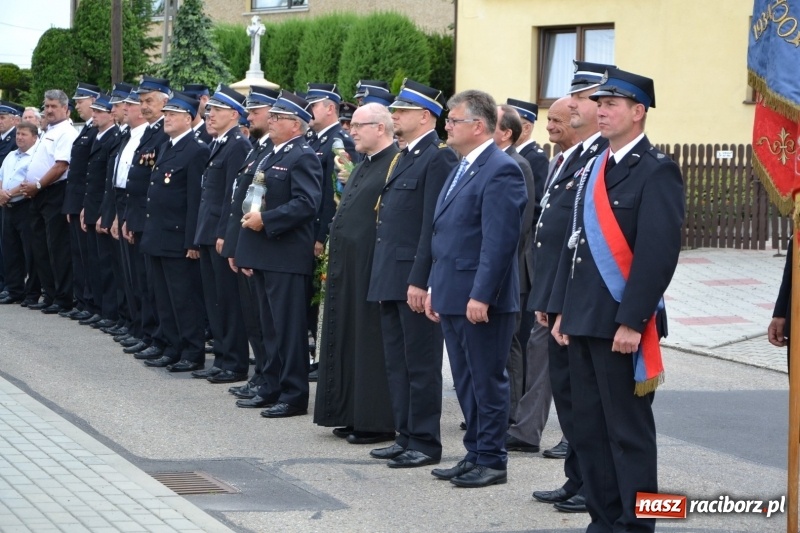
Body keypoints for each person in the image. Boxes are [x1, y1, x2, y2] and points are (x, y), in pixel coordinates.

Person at [548, 68, 684, 533]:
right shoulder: (594, 166)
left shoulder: (657, 169)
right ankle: (603, 521)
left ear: (638, 111)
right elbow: (575, 246)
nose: (600, 111)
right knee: (588, 431)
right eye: (599, 104)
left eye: (611, 104)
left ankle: (637, 525)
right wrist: (563, 309)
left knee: (628, 434)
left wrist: (633, 320)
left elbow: (657, 254)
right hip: (583, 318)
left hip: (621, 323)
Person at [426, 90, 527, 488]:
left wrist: (481, 295)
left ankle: (493, 459)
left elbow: (499, 242)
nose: (447, 126)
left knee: (486, 379)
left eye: (454, 120)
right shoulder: (462, 165)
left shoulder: (501, 169)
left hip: (480, 298)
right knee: (466, 380)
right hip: (453, 291)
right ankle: (475, 452)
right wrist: (435, 287)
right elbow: (448, 234)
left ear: (478, 126)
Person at [531, 60, 614, 515]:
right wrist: (547, 298)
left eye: (584, 98)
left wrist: (560, 299)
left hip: (580, 299)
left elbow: (581, 237)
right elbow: (553, 233)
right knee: (568, 396)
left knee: (587, 401)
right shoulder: (576, 156)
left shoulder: (601, 156)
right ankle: (577, 477)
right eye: (578, 97)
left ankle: (593, 484)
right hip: (558, 294)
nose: (575, 105)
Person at [367, 80, 458, 465]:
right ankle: (405, 435)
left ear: (425, 116)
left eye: (401, 111)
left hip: (413, 280)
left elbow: (432, 226)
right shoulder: (404, 157)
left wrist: (422, 280)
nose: (395, 116)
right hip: (391, 276)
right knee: (397, 363)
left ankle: (424, 442)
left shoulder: (437, 158)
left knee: (421, 365)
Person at [313, 103, 399, 444]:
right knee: (348, 340)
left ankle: (374, 421)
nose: (351, 131)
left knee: (369, 345)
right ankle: (349, 412)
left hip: (371, 268)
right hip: (348, 267)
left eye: (359, 125)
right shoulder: (364, 163)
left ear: (380, 128)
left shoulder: (394, 163)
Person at [234, 91, 322, 418]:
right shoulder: (271, 153)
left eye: (277, 117)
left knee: (288, 330)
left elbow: (306, 203)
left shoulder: (302, 155)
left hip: (286, 255)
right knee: (269, 328)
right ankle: (271, 385)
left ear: (295, 125)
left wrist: (267, 220)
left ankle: (294, 395)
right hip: (264, 252)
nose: (270, 121)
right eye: (270, 117)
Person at [507, 96, 581, 458]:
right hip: (546, 276)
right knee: (540, 352)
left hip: (571, 280)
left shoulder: (584, 162)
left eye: (557, 120)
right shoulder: (557, 161)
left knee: (568, 361)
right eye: (548, 119)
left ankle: (573, 434)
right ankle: (526, 430)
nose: (550, 126)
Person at [139, 92, 210, 372]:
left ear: (188, 118)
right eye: (166, 113)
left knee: (184, 298)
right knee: (164, 297)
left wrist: (192, 241)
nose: (166, 118)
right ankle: (171, 346)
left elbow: (195, 199)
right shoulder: (167, 146)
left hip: (178, 237)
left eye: (173, 114)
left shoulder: (196, 149)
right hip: (158, 234)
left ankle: (192, 352)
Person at [191, 85, 252, 384]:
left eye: (216, 110)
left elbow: (233, 196)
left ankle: (234, 362)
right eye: (209, 110)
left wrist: (225, 235)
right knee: (215, 301)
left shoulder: (237, 145)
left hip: (219, 234)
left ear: (234, 114)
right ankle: (222, 358)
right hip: (208, 231)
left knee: (227, 302)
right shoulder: (220, 142)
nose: (209, 115)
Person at [223, 86, 279, 403]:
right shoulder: (257, 148)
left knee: (263, 318)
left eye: (256, 111)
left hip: (261, 243)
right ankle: (261, 374)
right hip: (246, 239)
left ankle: (268, 375)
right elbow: (238, 200)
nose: (249, 116)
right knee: (253, 317)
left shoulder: (272, 150)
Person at [493, 104, 536, 436]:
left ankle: (511, 412)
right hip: (497, 268)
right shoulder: (496, 161)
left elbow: (518, 226)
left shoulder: (517, 164)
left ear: (506, 133)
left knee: (509, 343)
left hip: (512, 269)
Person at [121, 76, 171, 361]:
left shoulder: (164, 132)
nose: (144, 107)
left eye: (149, 101)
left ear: (165, 101)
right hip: (140, 216)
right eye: (141, 102)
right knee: (142, 281)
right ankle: (148, 333)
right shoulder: (150, 132)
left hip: (153, 220)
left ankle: (156, 335)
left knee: (153, 285)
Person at [20, 90, 79, 314]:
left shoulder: (66, 132)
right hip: (39, 194)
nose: (49, 110)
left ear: (65, 109)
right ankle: (50, 293)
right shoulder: (48, 131)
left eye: (54, 106)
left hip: (54, 192)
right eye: (46, 106)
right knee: (40, 247)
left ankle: (63, 298)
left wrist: (37, 185)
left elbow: (61, 166)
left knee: (57, 247)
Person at [61, 83, 101, 323]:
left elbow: (90, 173)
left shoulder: (95, 130)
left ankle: (90, 302)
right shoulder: (87, 129)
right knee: (79, 254)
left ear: (94, 100)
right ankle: (83, 300)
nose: (77, 105)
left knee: (89, 256)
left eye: (81, 101)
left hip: (86, 201)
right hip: (76, 200)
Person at [81, 93, 121, 330]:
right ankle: (97, 306)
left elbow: (108, 181)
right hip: (93, 205)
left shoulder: (113, 137)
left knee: (107, 263)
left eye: (99, 112)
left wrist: (103, 212)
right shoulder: (98, 137)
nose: (93, 115)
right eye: (93, 111)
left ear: (110, 115)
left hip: (103, 207)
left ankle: (109, 310)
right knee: (94, 261)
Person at [0, 121, 40, 306]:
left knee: (29, 251)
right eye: (18, 134)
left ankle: (32, 292)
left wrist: (7, 194)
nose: (19, 137)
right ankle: (14, 290)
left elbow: (28, 181)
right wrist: (2, 193)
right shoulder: (11, 155)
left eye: (24, 134)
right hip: (8, 207)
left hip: (24, 206)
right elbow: (1, 177)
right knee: (10, 250)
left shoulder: (35, 156)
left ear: (34, 137)